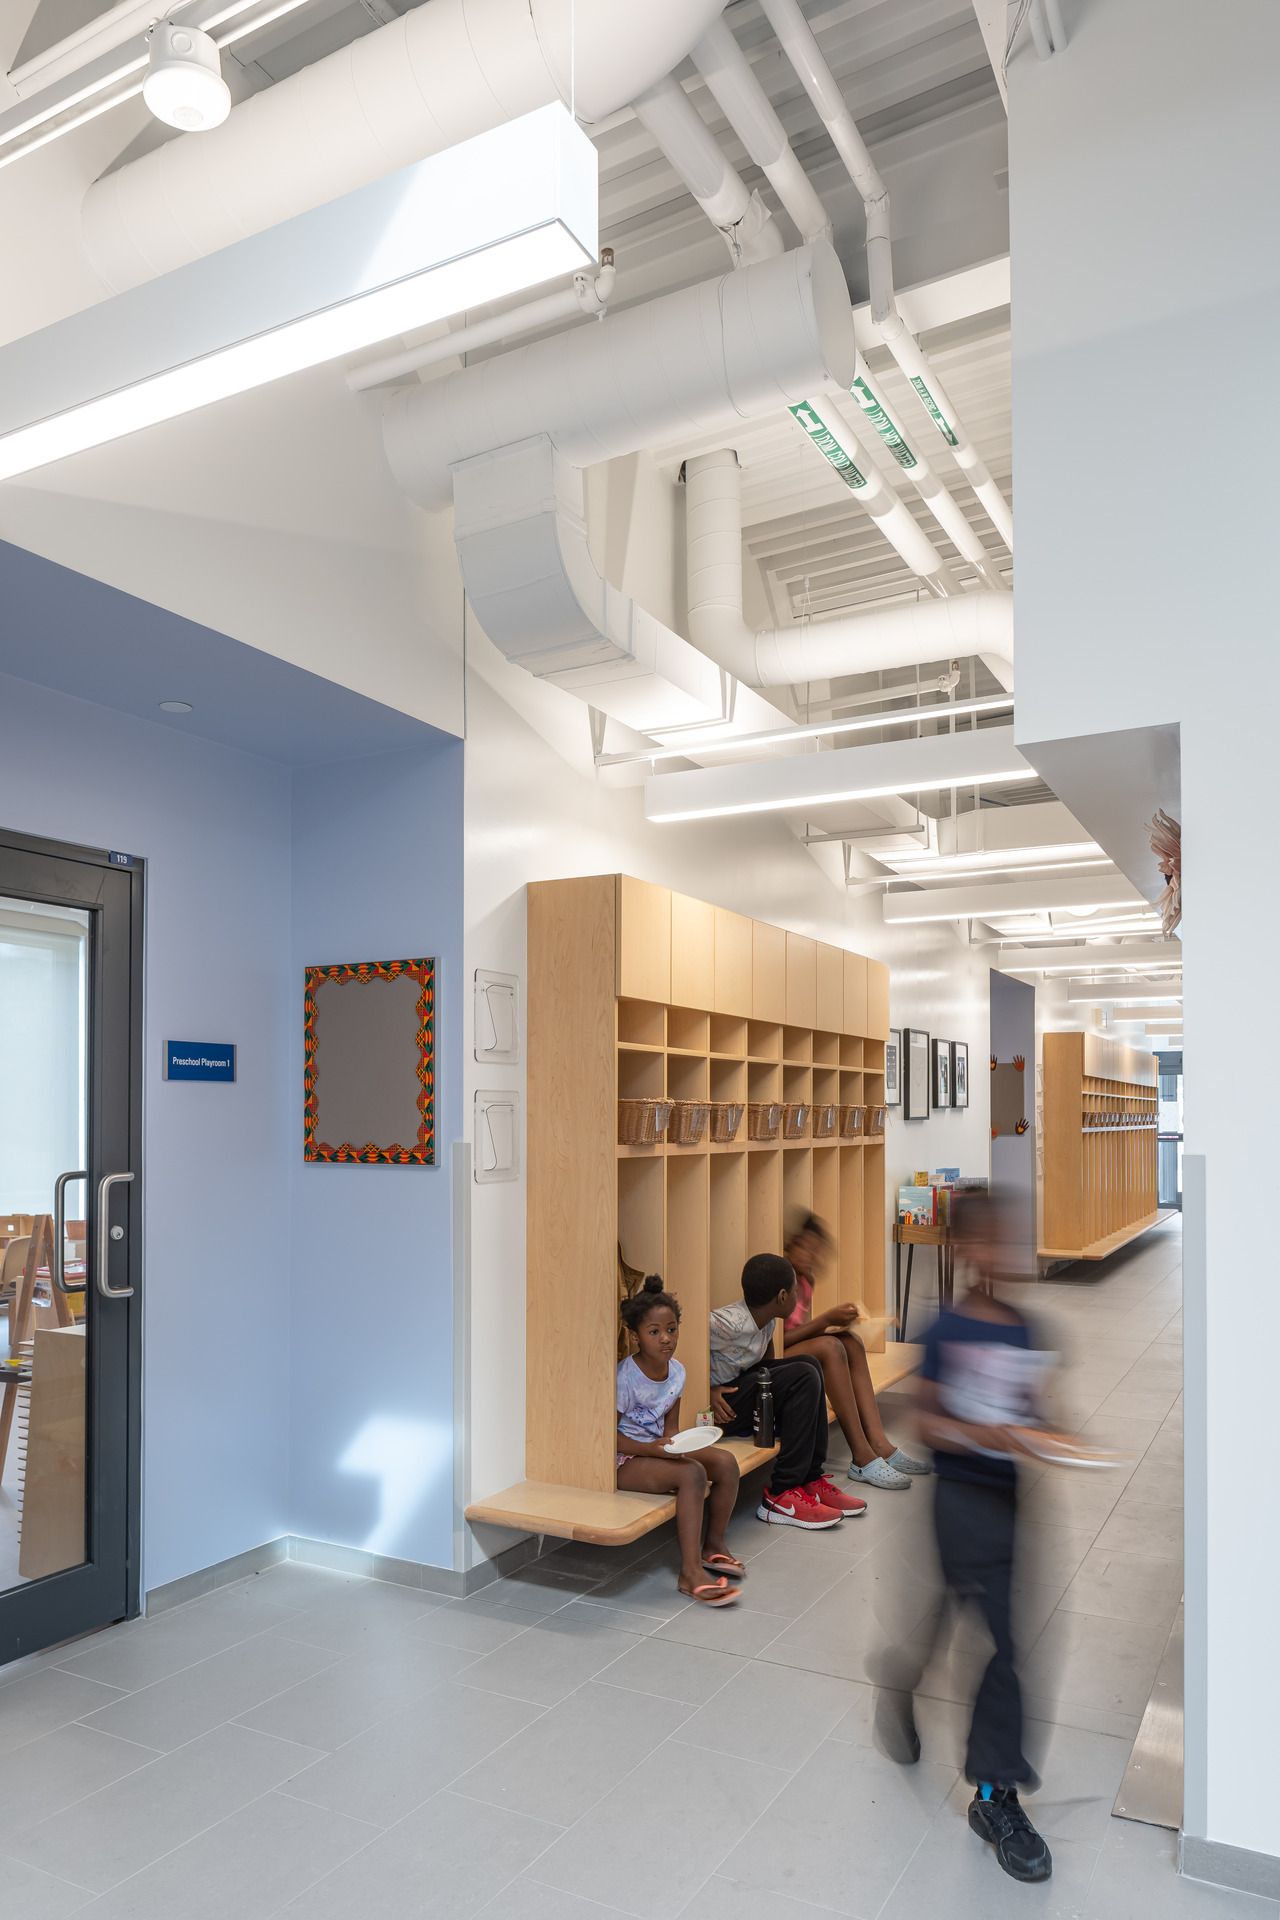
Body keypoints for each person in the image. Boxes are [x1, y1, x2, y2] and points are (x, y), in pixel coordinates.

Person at [873, 1192, 1054, 1885]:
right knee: (989, 1634)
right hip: (960, 1501)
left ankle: (908, 1679)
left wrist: (1049, 1434)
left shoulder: (1024, 1329)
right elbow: (930, 1425)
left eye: (1015, 1241)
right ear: (966, 1250)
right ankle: (994, 1794)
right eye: (995, 1241)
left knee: (987, 1629)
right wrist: (990, 1434)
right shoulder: (947, 1330)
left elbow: (1036, 1410)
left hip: (1008, 1502)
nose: (1009, 1254)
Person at [708, 1252, 865, 1529]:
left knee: (808, 1364)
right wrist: (706, 1389)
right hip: (722, 1408)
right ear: (782, 1296)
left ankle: (810, 1479)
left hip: (742, 1390)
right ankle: (781, 1494)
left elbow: (765, 1365)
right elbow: (683, 1343)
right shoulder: (727, 1324)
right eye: (794, 1291)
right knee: (803, 1373)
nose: (797, 1296)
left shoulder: (767, 1318)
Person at [617, 1276, 744, 1606]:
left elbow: (669, 1429)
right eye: (654, 1332)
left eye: (671, 1329)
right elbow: (609, 1439)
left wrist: (675, 1446)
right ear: (636, 1336)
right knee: (692, 1475)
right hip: (624, 1458)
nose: (665, 1339)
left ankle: (713, 1546)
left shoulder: (678, 1373)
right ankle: (689, 1574)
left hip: (655, 1450)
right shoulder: (625, 1378)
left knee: (726, 1462)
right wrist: (653, 1450)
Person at [781, 1212, 929, 1491]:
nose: (810, 1256)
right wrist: (826, 1321)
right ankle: (861, 1456)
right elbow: (778, 1341)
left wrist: (836, 1323)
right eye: (805, 1248)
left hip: (794, 1353)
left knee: (849, 1340)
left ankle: (880, 1444)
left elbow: (805, 1329)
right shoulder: (782, 1279)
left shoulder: (805, 1280)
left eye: (816, 1251)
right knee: (830, 1345)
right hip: (773, 1360)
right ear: (790, 1245)